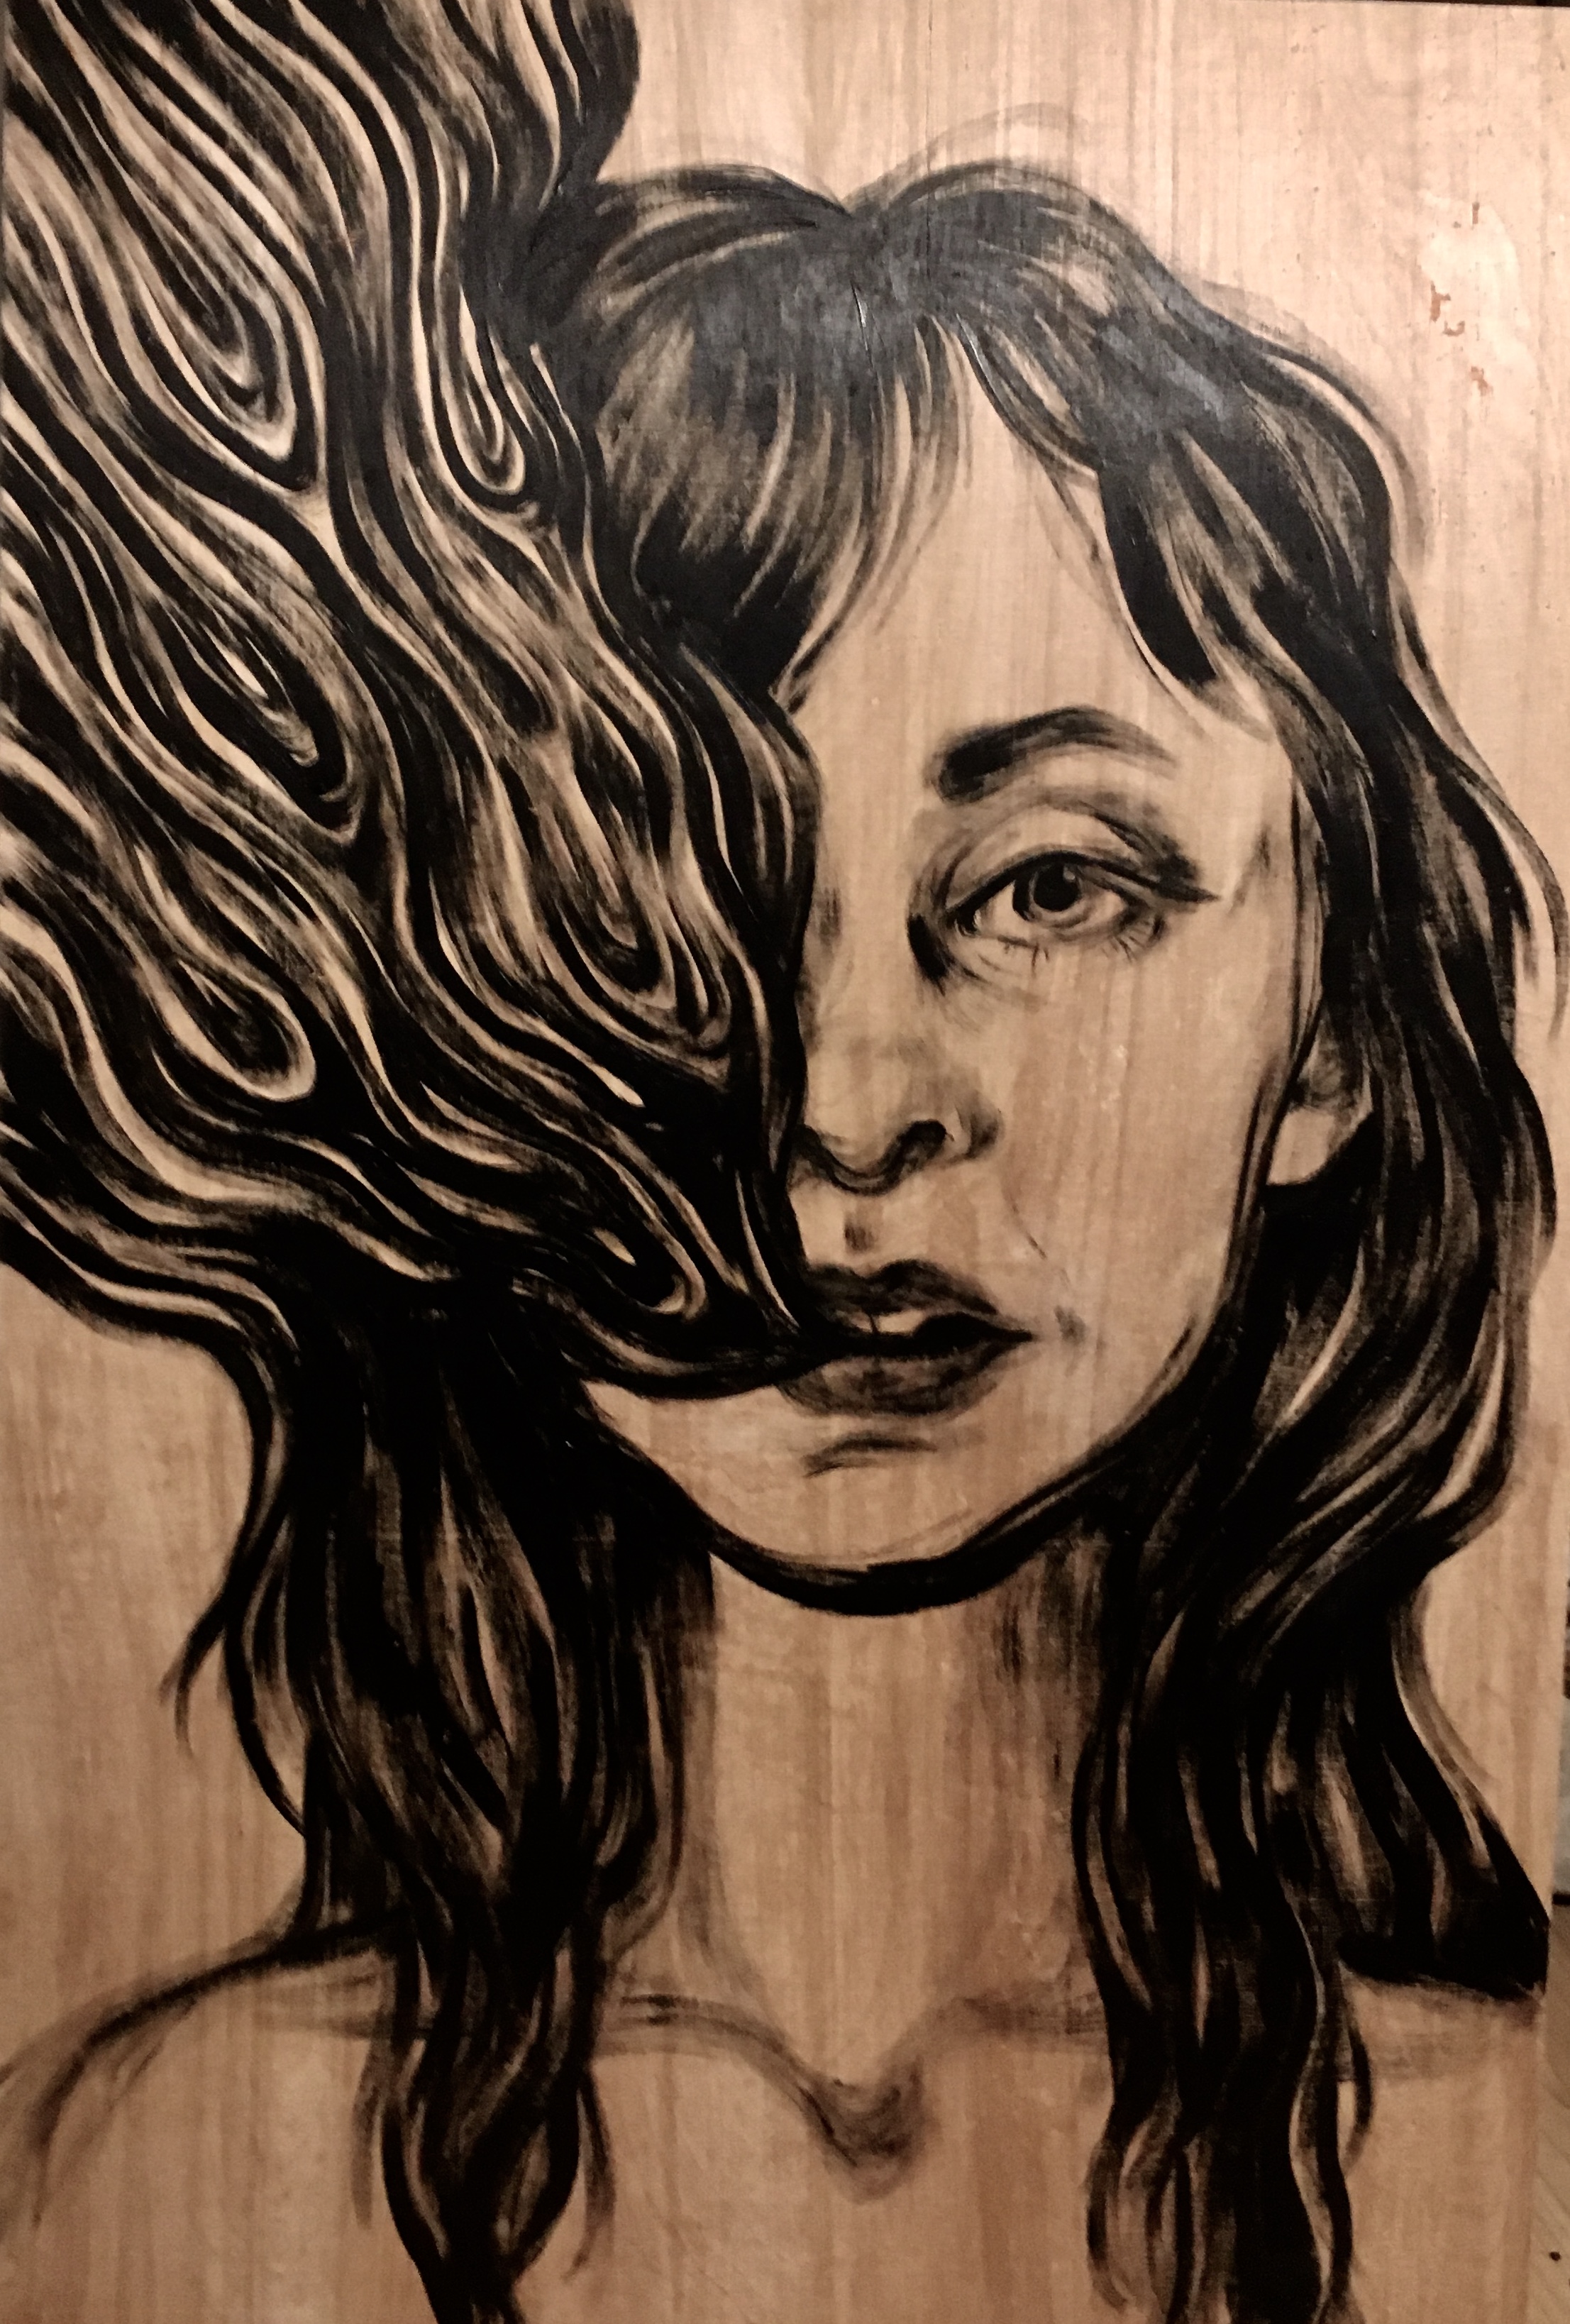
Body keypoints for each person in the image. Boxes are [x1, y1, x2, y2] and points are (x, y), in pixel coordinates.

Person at [0, 4, 1557, 2323]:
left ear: (1329, 1026)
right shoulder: (151, 2172)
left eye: (1052, 883)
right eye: (679, 901)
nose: (849, 1106)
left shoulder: (1511, 2150)